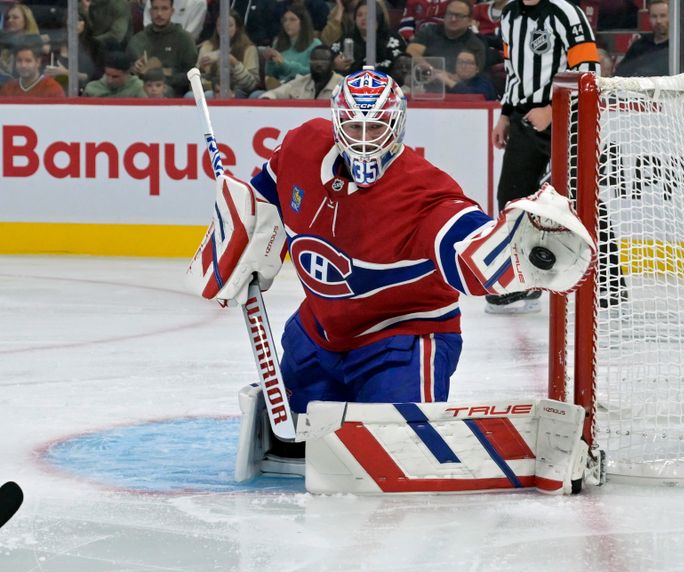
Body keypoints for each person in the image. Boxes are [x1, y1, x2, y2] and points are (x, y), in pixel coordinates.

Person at [186, 68, 594, 449]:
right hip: (319, 332)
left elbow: (465, 244)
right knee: (290, 440)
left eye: (376, 127)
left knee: (393, 446)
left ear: (396, 127)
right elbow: (266, 191)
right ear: (336, 123)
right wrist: (240, 230)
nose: (364, 139)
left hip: (401, 341)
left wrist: (516, 252)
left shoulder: (424, 192)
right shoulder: (302, 145)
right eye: (354, 127)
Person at [491, 0, 617, 314]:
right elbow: (513, 72)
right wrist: (505, 115)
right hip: (524, 118)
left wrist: (553, 108)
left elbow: (589, 70)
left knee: (581, 197)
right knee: (511, 198)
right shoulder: (509, 14)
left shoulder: (565, 11)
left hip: (568, 117)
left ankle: (610, 287)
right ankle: (525, 280)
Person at [127, 0, 197, 96]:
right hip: (141, 86)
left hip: (173, 89)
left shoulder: (183, 38)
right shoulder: (138, 40)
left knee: (161, 91)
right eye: (155, 8)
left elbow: (190, 74)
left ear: (172, 11)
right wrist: (134, 69)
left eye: (164, 8)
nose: (159, 14)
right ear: (150, 11)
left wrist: (163, 75)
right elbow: (126, 73)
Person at [406, 0, 486, 75]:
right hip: (424, 79)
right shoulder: (429, 31)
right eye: (450, 14)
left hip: (458, 87)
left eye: (459, 16)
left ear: (469, 20)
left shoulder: (475, 44)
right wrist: (432, 71)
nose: (453, 19)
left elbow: (471, 74)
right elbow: (412, 52)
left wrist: (444, 78)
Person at [330, 0, 406, 76]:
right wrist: (334, 63)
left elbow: (401, 67)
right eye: (359, 15)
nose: (363, 18)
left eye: (369, 15)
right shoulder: (347, 39)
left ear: (378, 18)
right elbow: (329, 55)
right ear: (355, 20)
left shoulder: (393, 40)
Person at [196, 10, 259, 98]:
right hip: (212, 88)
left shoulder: (249, 48)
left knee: (211, 95)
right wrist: (201, 69)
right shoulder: (207, 46)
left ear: (237, 27)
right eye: (220, 25)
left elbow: (251, 84)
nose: (224, 29)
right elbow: (197, 81)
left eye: (229, 25)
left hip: (239, 90)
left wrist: (234, 62)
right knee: (192, 95)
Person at [262, 5, 321, 87]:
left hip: (302, 87)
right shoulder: (277, 42)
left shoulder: (315, 44)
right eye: (285, 20)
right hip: (279, 86)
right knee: (256, 95)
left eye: (292, 20)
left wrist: (284, 64)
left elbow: (311, 73)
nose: (287, 23)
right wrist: (270, 61)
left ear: (303, 22)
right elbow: (270, 74)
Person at [258, 44, 342, 99]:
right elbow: (275, 93)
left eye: (323, 60)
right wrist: (266, 99)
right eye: (315, 59)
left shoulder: (344, 85)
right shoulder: (301, 82)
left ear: (332, 64)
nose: (318, 63)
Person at [0, 41, 65, 97]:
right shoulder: (8, 88)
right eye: (19, 61)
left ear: (38, 62)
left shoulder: (53, 88)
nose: (23, 65)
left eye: (28, 61)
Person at [0, 2, 39, 80]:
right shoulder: (3, 44)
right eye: (8, 18)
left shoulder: (35, 44)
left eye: (15, 17)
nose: (10, 20)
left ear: (26, 21)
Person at [141, 0, 206, 42]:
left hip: (181, 52)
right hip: (152, 46)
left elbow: (190, 36)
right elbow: (148, 28)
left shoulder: (199, 2)